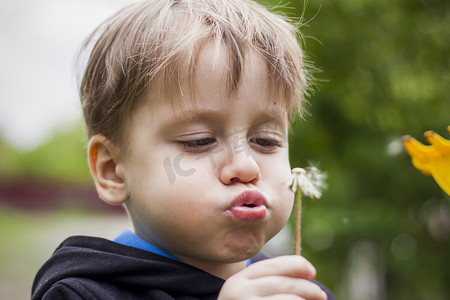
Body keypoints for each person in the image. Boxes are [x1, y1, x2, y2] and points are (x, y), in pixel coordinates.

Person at [32, 0, 335, 299]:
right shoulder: (82, 292)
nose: (247, 166)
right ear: (112, 171)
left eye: (266, 140)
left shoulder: (301, 291)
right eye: (199, 140)